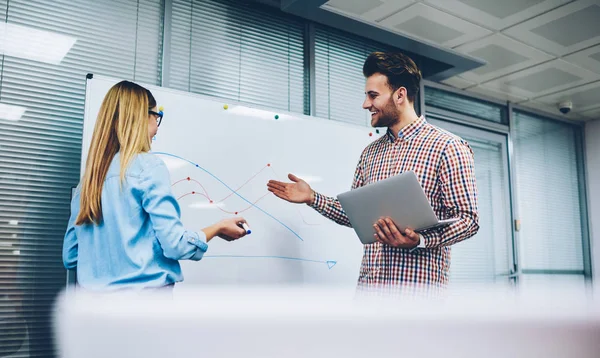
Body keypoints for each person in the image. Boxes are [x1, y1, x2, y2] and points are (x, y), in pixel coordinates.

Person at [267, 52, 479, 288]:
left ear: (400, 95)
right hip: (370, 294)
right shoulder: (370, 153)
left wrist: (420, 240)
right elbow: (355, 216)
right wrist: (312, 197)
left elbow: (468, 220)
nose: (365, 104)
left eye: (373, 95)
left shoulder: (447, 146)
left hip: (418, 301)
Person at [62, 80, 248, 290]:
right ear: (142, 117)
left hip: (93, 310)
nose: (156, 130)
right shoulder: (147, 167)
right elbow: (175, 245)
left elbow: (71, 255)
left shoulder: (88, 181)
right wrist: (218, 227)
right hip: (142, 309)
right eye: (156, 116)